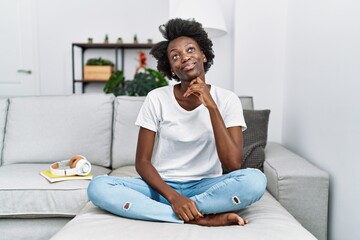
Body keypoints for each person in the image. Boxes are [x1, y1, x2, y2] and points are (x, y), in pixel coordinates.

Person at [88, 18, 266, 226]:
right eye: (175, 56)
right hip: (161, 188)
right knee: (98, 187)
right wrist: (174, 198)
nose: (185, 57)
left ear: (203, 56)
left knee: (255, 181)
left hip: (207, 186)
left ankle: (180, 212)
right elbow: (142, 162)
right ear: (172, 69)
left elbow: (233, 163)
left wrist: (210, 106)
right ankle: (201, 217)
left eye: (191, 50)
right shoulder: (157, 98)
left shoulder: (227, 100)